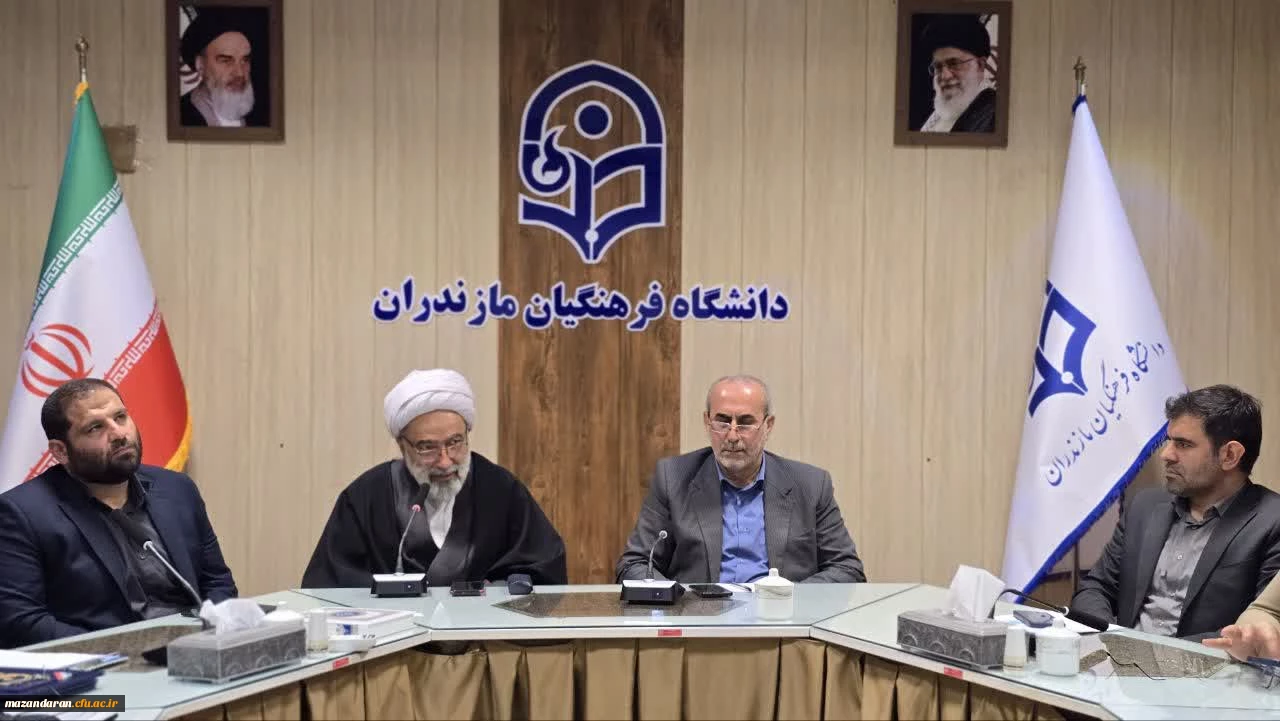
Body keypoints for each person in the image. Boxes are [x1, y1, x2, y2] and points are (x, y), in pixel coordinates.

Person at [0, 379, 238, 648]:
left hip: (196, 648)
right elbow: (21, 622)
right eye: (95, 428)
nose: (118, 434)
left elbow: (217, 581)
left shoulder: (176, 489)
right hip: (105, 664)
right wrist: (124, 649)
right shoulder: (21, 514)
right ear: (61, 451)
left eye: (120, 417)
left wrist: (213, 634)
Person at [302, 369, 567, 588]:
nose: (445, 461)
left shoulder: (500, 490)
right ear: (402, 445)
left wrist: (498, 591)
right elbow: (329, 584)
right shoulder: (367, 496)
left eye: (455, 442)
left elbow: (543, 570)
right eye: (427, 447)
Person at [1069, 385, 1280, 639]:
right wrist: (1114, 641)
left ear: (1230, 455)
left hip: (1204, 663)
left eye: (1183, 444)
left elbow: (1259, 632)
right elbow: (1096, 588)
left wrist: (1156, 655)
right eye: (1169, 441)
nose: (1166, 455)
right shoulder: (1145, 506)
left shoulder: (1272, 521)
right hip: (1116, 656)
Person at [616, 375, 865, 584]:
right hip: (699, 620)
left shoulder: (810, 485)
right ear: (707, 422)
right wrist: (680, 601)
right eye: (722, 421)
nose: (732, 436)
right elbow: (634, 564)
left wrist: (789, 598)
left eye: (745, 423)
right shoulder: (673, 478)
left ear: (768, 426)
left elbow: (847, 569)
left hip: (781, 620)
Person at [178, 9, 264, 127]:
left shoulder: (262, 115)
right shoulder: (180, 117)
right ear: (200, 65)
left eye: (245, 60)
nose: (239, 73)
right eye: (226, 61)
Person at [917, 14, 997, 133]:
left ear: (980, 65)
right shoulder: (937, 118)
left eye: (954, 64)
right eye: (938, 67)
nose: (945, 76)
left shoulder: (994, 114)